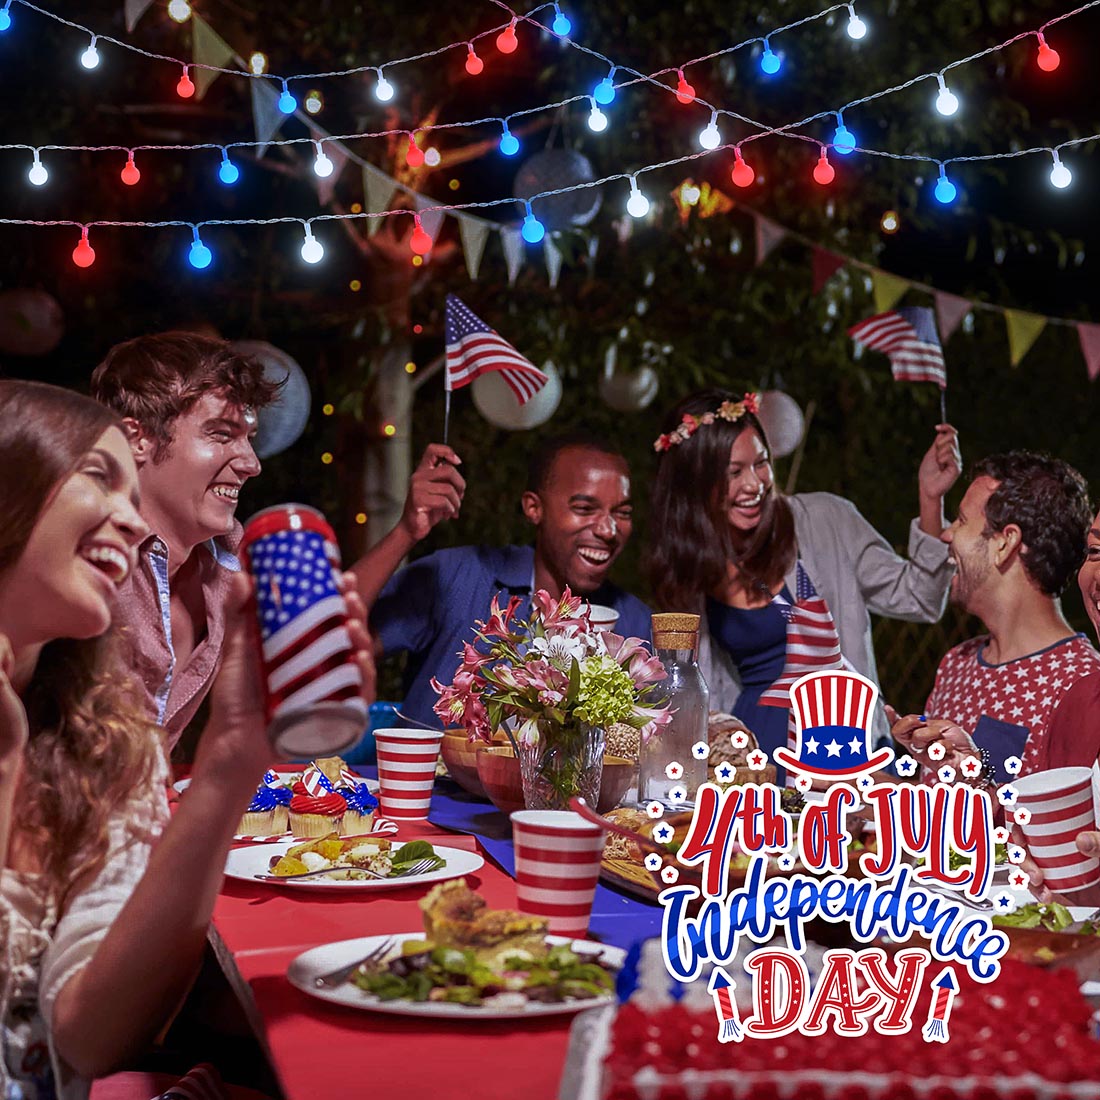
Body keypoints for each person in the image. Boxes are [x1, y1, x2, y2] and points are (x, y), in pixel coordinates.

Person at [0, 381, 371, 1100]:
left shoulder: (108, 745)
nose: (132, 521)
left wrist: (236, 761)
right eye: (99, 478)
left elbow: (89, 1037)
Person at [646, 388, 960, 764]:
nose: (754, 484)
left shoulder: (825, 521)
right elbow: (685, 692)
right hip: (755, 756)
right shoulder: (689, 567)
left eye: (760, 463)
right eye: (733, 472)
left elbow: (920, 598)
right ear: (694, 484)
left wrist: (930, 498)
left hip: (844, 744)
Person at [357, 434, 652, 729]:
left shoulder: (635, 626)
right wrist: (406, 531)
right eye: (584, 509)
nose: (608, 529)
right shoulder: (458, 577)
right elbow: (327, 639)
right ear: (534, 508)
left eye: (622, 513)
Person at [89, 332, 279, 748]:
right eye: (221, 434)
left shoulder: (229, 561)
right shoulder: (80, 559)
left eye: (249, 438)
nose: (251, 463)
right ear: (137, 440)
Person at [891, 451, 1099, 786]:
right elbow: (933, 807)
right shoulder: (956, 664)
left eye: (960, 521)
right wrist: (865, 790)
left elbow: (1068, 830)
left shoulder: (1083, 685)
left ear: (1005, 542)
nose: (947, 534)